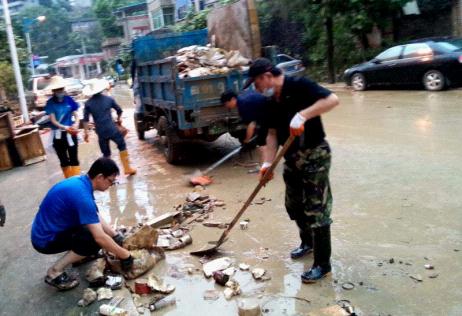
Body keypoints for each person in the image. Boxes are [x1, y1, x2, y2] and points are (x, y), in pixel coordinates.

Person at [243, 58, 340, 283]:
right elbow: (272, 135)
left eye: (256, 83)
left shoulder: (299, 86)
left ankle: (322, 264)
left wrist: (304, 114)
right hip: (292, 159)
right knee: (294, 205)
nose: (256, 88)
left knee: (316, 210)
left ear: (266, 76)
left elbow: (333, 99)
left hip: (315, 154)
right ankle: (307, 243)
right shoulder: (270, 102)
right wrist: (267, 164)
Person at [31, 158, 133, 290]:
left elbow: (94, 215)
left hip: (45, 229)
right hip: (44, 240)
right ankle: (54, 272)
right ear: (100, 177)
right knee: (93, 241)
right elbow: (100, 237)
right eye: (110, 182)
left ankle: (78, 255)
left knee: (92, 229)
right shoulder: (82, 197)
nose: (110, 186)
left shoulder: (80, 182)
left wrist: (114, 235)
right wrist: (125, 255)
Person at [82, 79, 136, 176]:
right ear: (101, 89)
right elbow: (119, 110)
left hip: (100, 132)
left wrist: (86, 133)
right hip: (112, 129)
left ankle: (109, 174)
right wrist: (118, 119)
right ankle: (127, 168)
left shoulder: (88, 104)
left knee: (106, 154)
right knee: (122, 146)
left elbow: (85, 120)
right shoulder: (109, 99)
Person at [45, 76, 81, 178]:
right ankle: (69, 181)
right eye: (57, 90)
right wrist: (64, 127)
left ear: (64, 89)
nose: (59, 91)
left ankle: (76, 181)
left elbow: (76, 114)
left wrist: (76, 123)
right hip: (58, 135)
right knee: (64, 160)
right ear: (53, 91)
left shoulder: (69, 100)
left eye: (61, 89)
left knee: (74, 158)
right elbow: (53, 120)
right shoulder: (50, 103)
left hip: (71, 133)